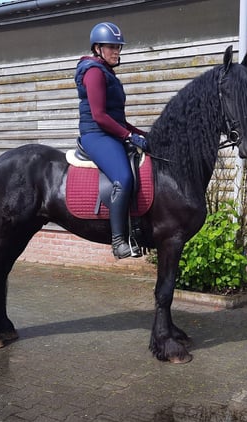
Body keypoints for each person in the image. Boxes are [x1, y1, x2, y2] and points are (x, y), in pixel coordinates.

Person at [75, 22, 149, 259]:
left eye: (118, 47)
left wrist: (143, 134)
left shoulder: (107, 72)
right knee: (123, 178)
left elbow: (117, 118)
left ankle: (137, 231)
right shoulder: (94, 71)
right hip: (96, 135)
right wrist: (129, 136)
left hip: (111, 131)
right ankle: (118, 241)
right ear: (97, 48)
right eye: (112, 47)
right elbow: (100, 116)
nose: (117, 51)